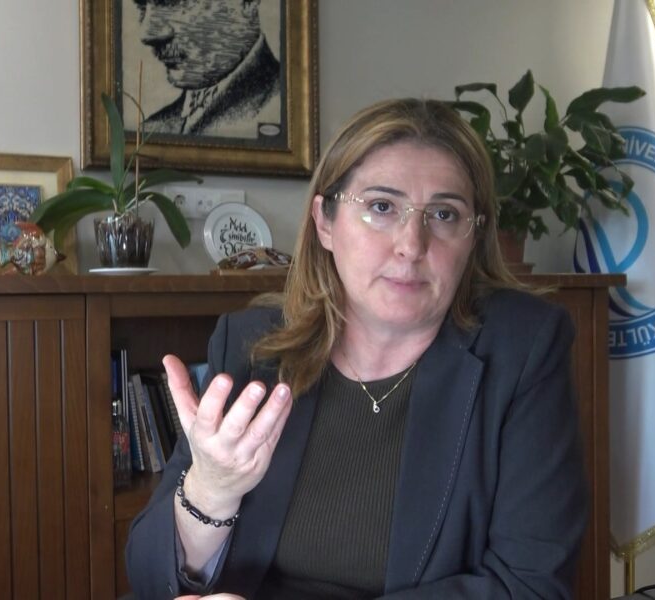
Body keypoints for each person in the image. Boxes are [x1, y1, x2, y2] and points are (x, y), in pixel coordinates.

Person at [126, 98, 587, 599]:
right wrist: (210, 490)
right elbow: (151, 581)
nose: (412, 245)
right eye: (382, 207)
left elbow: (530, 587)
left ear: (473, 237)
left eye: (444, 213)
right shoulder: (250, 345)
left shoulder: (522, 349)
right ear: (325, 222)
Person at [132, 0, 281, 138]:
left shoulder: (280, 110)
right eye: (142, 6)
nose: (147, 34)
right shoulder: (151, 129)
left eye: (174, 3)